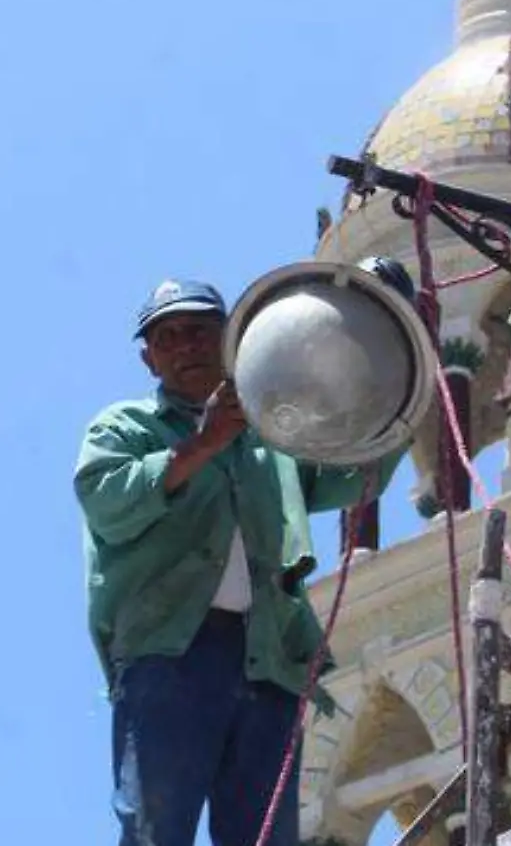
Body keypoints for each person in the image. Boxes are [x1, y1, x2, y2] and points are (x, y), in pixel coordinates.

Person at [74, 276, 402, 846]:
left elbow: (354, 471)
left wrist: (399, 370)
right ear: (149, 358)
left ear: (229, 342)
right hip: (172, 654)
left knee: (267, 835)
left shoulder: (274, 434)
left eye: (199, 332)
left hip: (267, 660)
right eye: (168, 337)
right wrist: (202, 443)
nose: (185, 347)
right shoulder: (125, 428)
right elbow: (109, 502)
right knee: (158, 827)